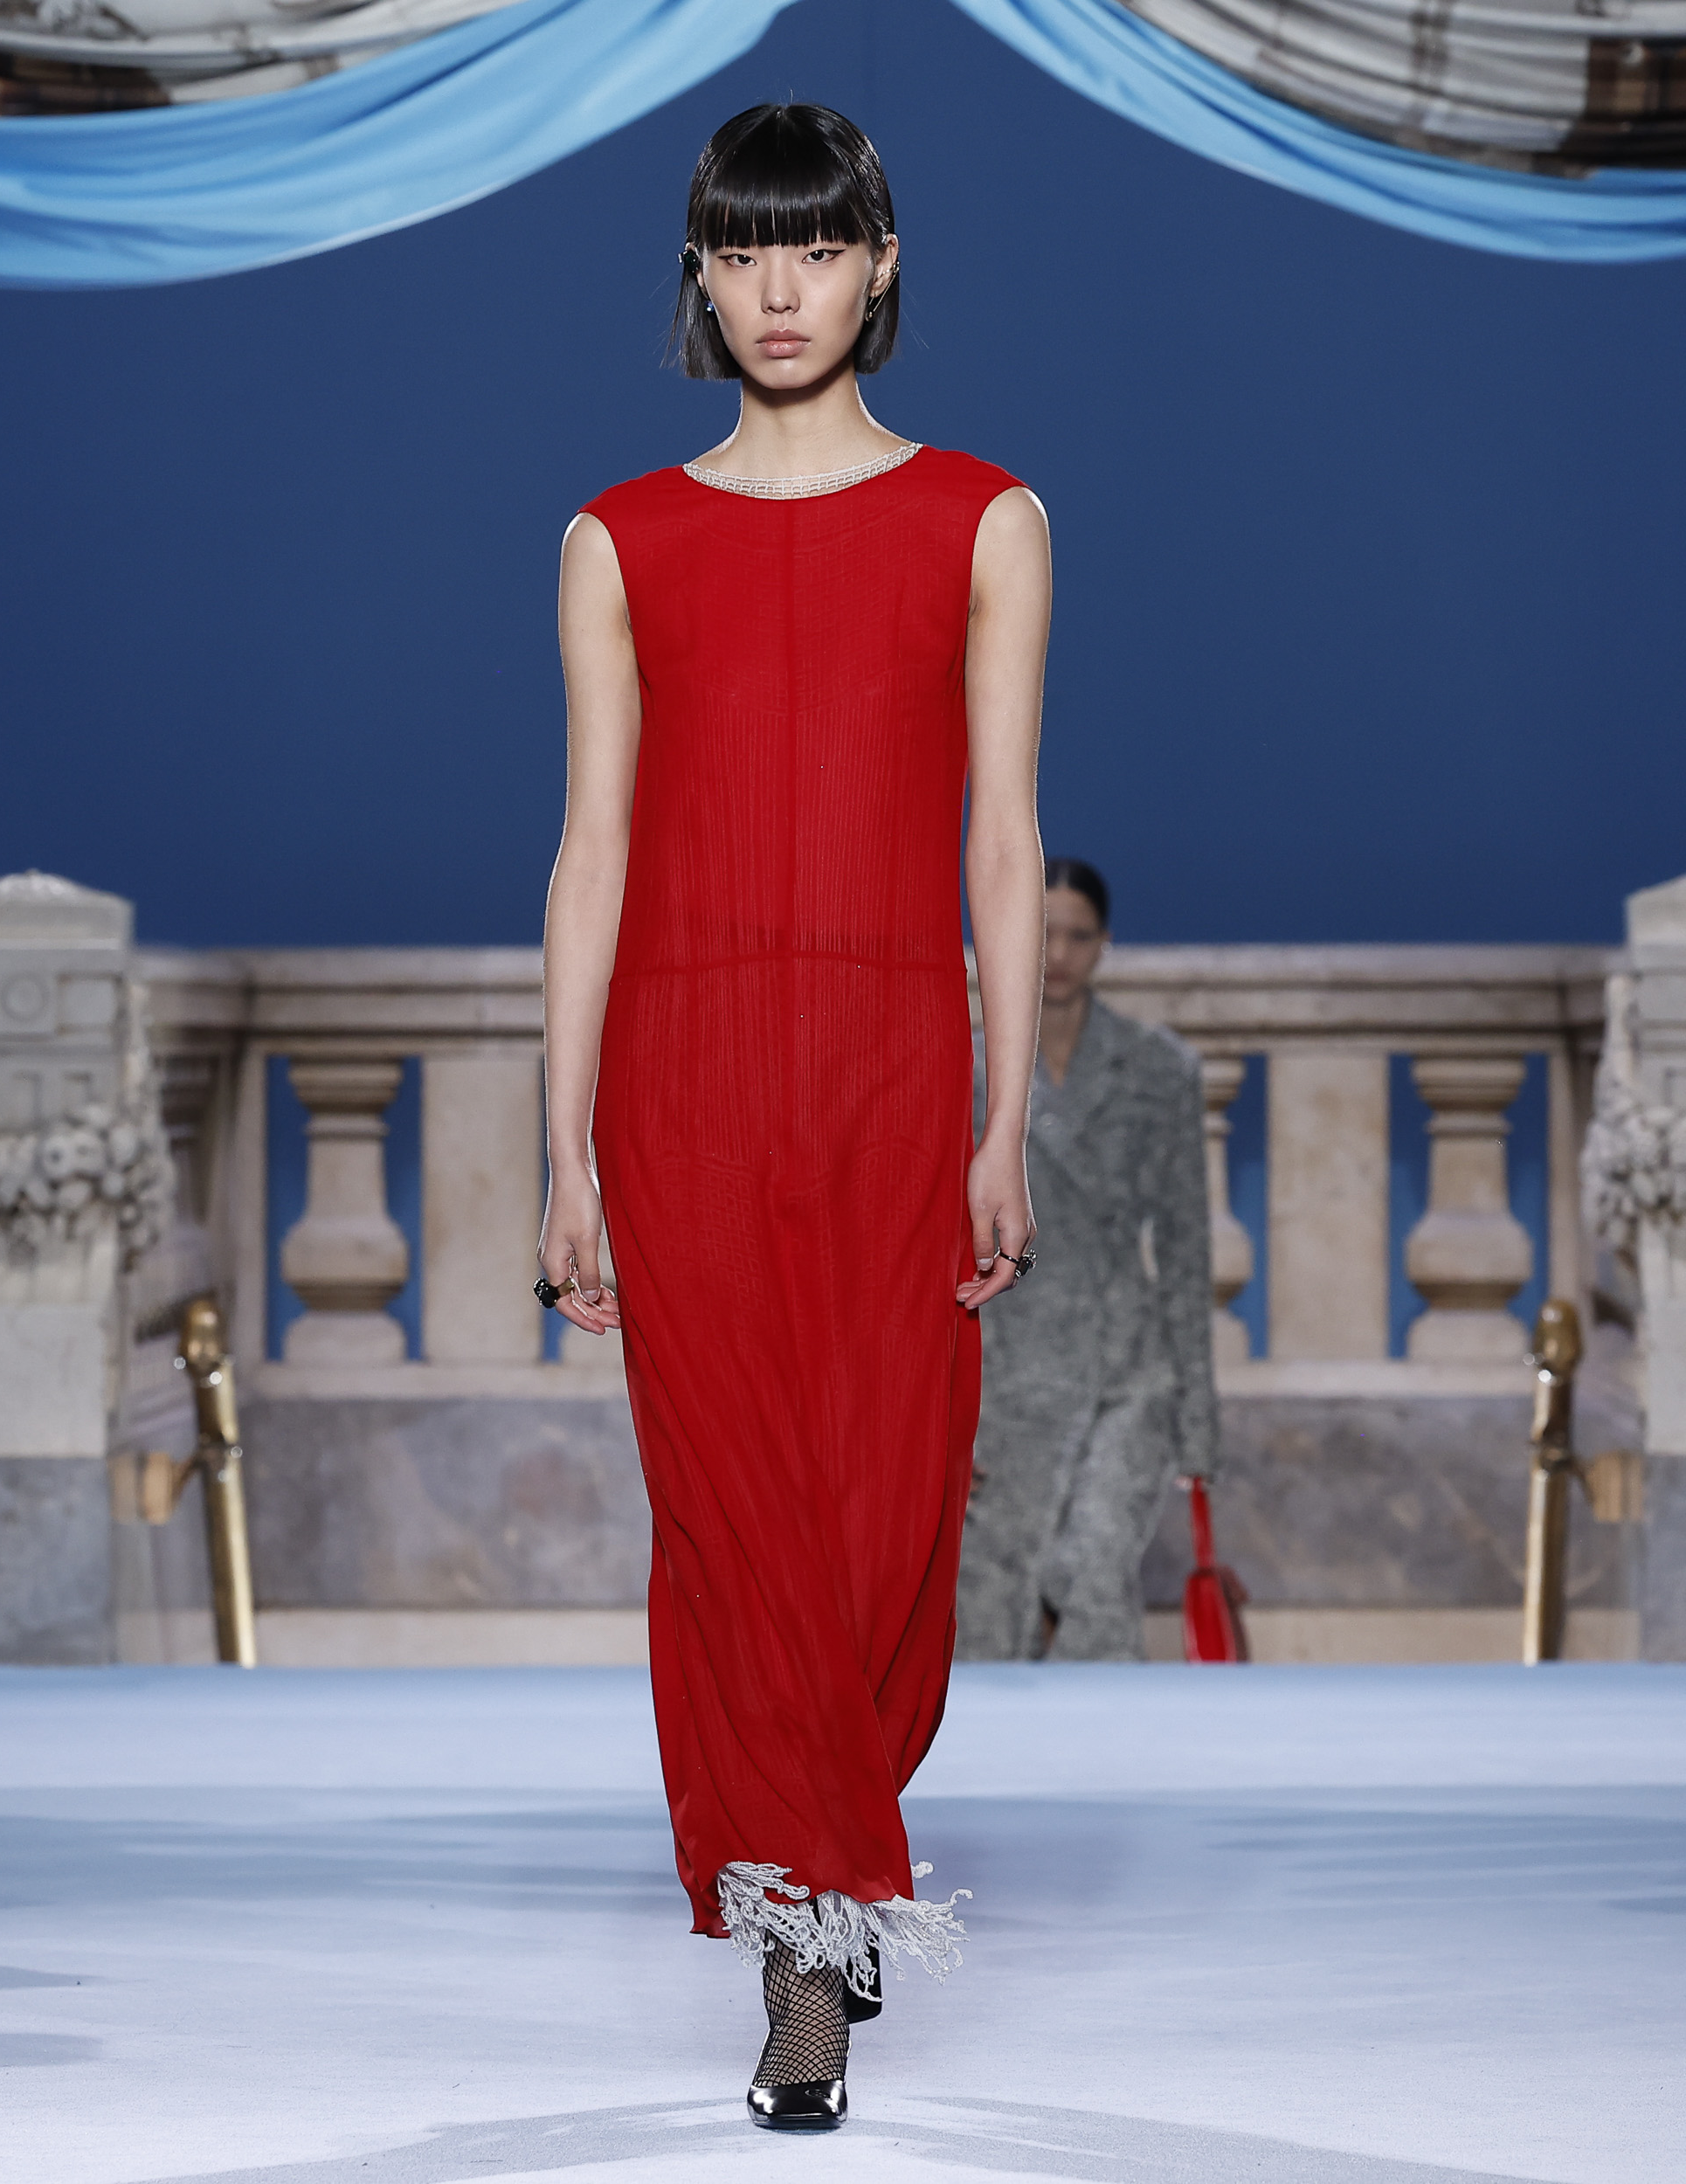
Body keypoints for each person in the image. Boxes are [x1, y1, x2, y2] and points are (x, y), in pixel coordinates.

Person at [536, 105, 1049, 2132]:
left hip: (890, 1070)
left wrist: (1005, 1114)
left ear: (880, 264)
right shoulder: (616, 540)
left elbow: (1001, 847)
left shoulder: (986, 521)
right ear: (698, 272)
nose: (777, 290)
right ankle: (807, 1954)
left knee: (884, 1520)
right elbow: (589, 854)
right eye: (743, 251)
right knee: (735, 1517)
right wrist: (564, 1149)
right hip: (681, 1078)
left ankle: (832, 1845)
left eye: (815, 248)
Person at [957, 859, 1219, 1662]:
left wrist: (1197, 1427)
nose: (1060, 954)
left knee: (1096, 1575)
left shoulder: (1158, 1069)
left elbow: (1185, 1246)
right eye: (1044, 935)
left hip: (1125, 1369)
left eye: (1077, 936)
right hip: (1005, 1370)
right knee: (991, 1597)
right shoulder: (965, 1067)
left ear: (1105, 943)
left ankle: (1107, 1741)